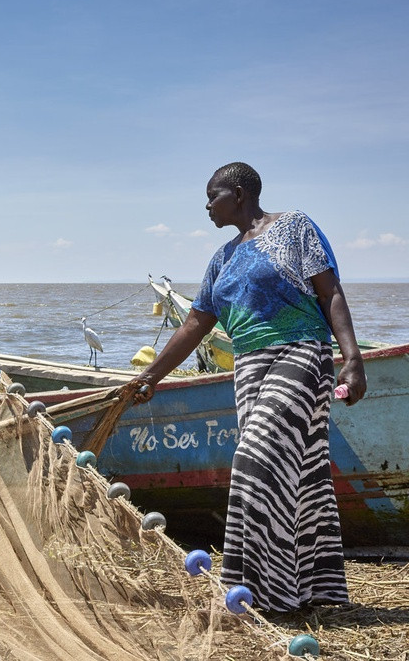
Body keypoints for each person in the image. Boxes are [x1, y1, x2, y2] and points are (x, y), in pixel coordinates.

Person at [130, 162, 367, 613]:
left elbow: (329, 292)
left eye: (212, 196)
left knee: (253, 459)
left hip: (300, 353)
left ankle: (266, 594)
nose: (206, 206)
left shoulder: (294, 227)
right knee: (304, 477)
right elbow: (197, 322)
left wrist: (352, 359)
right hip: (249, 367)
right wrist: (149, 377)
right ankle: (313, 592)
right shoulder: (222, 257)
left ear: (238, 194)